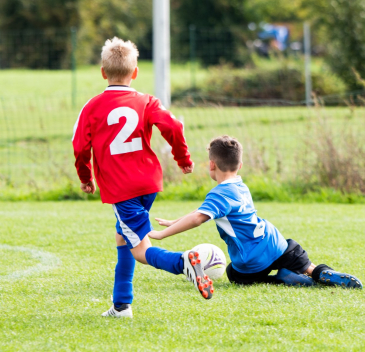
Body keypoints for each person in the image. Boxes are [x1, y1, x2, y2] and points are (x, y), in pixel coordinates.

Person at [72, 37, 214, 319]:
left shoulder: (92, 106)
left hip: (120, 187)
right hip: (147, 184)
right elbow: (173, 125)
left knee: (139, 249)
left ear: (103, 72)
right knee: (123, 237)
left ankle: (184, 262)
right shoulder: (147, 102)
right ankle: (122, 305)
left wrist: (85, 177)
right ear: (135, 72)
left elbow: (79, 147)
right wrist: (183, 158)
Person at [149, 135, 363, 289]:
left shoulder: (219, 194)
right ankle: (317, 272)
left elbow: (198, 218)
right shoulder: (240, 185)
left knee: (234, 274)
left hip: (250, 259)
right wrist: (174, 221)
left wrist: (161, 234)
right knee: (299, 258)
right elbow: (203, 211)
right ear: (239, 165)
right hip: (275, 244)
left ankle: (281, 279)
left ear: (211, 164)